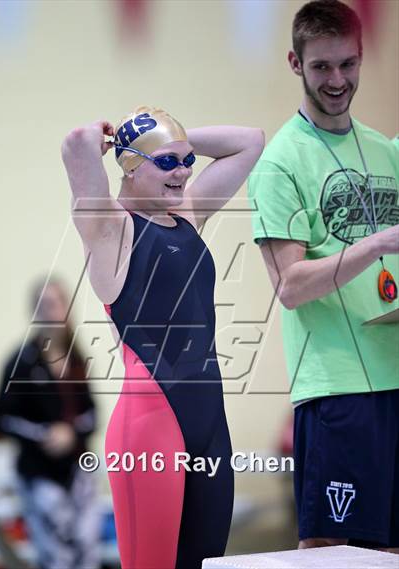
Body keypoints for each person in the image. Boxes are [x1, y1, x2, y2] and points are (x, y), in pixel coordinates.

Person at [61, 106, 264, 569]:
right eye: (167, 163)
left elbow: (250, 140)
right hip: (150, 428)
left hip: (211, 425)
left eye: (188, 160)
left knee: (205, 563)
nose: (185, 171)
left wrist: (172, 138)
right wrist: (104, 136)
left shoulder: (188, 215)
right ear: (131, 166)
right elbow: (75, 144)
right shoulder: (111, 229)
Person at [248, 0, 398, 553]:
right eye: (321, 67)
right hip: (337, 389)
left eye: (348, 65)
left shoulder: (386, 150)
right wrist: (376, 243)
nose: (337, 80)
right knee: (337, 556)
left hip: (396, 378)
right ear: (295, 62)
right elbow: (290, 286)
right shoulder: (281, 163)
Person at [0, 278, 100, 569]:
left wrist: (71, 432)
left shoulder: (77, 360)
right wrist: (46, 435)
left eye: (55, 303)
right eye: (43, 305)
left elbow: (92, 415)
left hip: (78, 473)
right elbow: (2, 419)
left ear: (67, 308)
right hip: (39, 475)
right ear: (34, 312)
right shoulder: (21, 363)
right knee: (56, 559)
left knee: (87, 555)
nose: (50, 311)